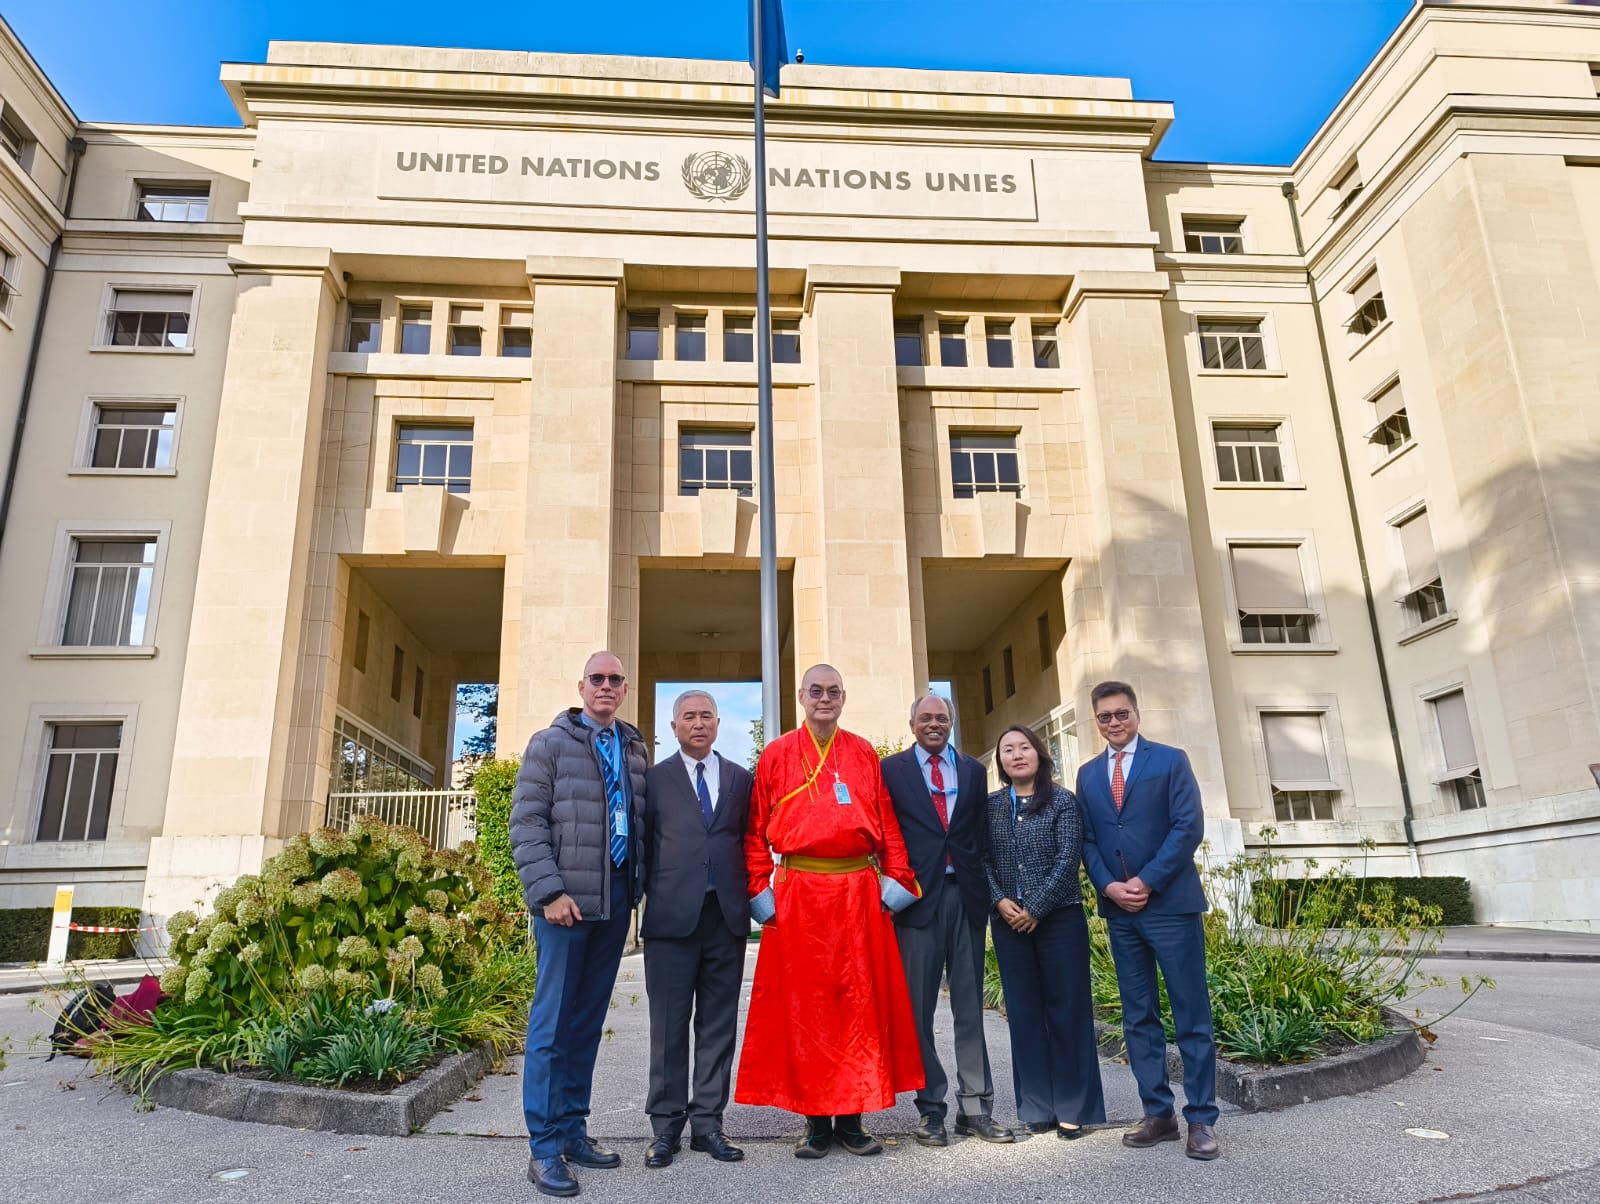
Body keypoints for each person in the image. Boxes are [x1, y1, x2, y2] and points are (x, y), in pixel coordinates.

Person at [735, 663, 925, 1158]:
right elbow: (755, 833)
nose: (825, 698)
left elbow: (887, 822)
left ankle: (854, 1118)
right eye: (816, 691)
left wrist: (895, 882)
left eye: (833, 691)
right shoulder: (776, 754)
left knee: (857, 1005)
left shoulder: (862, 752)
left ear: (843, 698)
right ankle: (817, 1122)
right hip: (799, 892)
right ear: (801, 696)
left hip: (858, 891)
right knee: (807, 1009)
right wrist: (762, 892)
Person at [510, 652, 649, 1198]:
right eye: (598, 678)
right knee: (550, 1027)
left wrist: (635, 893)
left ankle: (572, 1130)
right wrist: (548, 892)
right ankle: (543, 1149)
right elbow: (526, 822)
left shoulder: (633, 749)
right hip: (564, 908)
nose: (607, 686)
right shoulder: (550, 744)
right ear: (581, 685)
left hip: (613, 908)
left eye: (616, 680)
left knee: (587, 1024)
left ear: (625, 688)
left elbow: (637, 825)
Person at [1075, 681, 1219, 1162]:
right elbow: (1089, 841)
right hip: (1121, 912)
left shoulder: (1170, 760)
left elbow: (1188, 826)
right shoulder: (1088, 774)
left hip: (1170, 906)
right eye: (1105, 717)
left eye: (1121, 714)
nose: (1114, 723)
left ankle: (1201, 1117)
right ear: (1096, 722)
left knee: (1190, 1015)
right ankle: (1159, 1113)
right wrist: (1109, 887)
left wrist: (1147, 881)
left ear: (1136, 713)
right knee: (1138, 1017)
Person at [881, 694, 1014, 1147]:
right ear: (912, 722)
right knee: (918, 1012)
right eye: (925, 718)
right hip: (916, 902)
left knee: (969, 1007)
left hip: (966, 899)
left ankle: (975, 1107)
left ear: (952, 722)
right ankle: (930, 1108)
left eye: (941, 718)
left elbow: (978, 834)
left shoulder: (975, 771)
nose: (933, 724)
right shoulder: (891, 770)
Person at [640, 689, 753, 1169]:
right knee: (667, 1029)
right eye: (689, 716)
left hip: (725, 919)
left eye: (706, 715)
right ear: (674, 726)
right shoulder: (653, 781)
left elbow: (749, 839)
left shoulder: (741, 779)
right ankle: (665, 1128)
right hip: (671, 921)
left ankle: (708, 1124)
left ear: (718, 723)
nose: (698, 723)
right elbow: (643, 847)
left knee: (717, 1026)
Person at [982, 724, 1106, 1140]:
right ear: (1000, 761)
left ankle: (1073, 1106)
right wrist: (1000, 900)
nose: (1016, 755)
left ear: (1039, 754)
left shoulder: (1063, 802)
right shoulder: (991, 807)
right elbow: (979, 859)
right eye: (1007, 750)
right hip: (1007, 923)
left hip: (1059, 921)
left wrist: (1035, 906)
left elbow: (1069, 856)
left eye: (1024, 747)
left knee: (1067, 1011)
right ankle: (1036, 1104)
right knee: (1024, 1013)